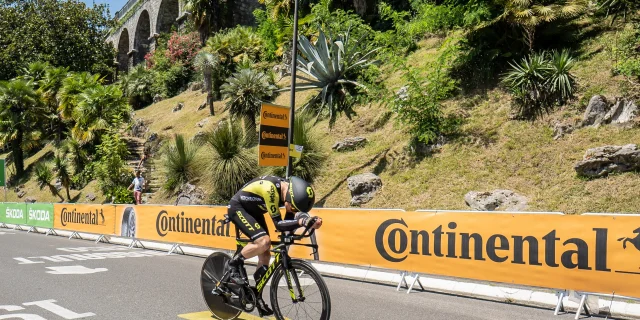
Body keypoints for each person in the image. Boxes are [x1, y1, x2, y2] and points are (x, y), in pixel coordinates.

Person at [226, 175, 322, 315]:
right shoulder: (270, 189)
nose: (293, 211)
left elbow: (291, 218)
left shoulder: (288, 193)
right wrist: (301, 222)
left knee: (265, 254)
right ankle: (233, 264)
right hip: (238, 208)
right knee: (264, 242)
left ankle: (256, 295)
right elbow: (279, 224)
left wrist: (309, 220)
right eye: (294, 208)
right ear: (290, 197)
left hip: (254, 211)